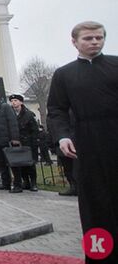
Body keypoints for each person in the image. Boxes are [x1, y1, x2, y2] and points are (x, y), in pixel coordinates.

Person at [47, 21, 117, 262]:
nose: (94, 42)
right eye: (88, 38)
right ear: (74, 42)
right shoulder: (64, 74)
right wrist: (63, 136)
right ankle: (99, 256)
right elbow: (56, 109)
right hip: (85, 144)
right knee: (94, 207)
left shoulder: (116, 65)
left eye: (99, 37)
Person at [9, 94, 39, 192]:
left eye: (16, 100)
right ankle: (26, 181)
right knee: (20, 163)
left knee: (30, 164)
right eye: (12, 101)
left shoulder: (28, 114)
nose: (14, 103)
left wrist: (34, 142)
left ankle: (33, 183)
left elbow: (34, 130)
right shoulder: (10, 113)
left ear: (21, 102)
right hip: (16, 142)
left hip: (28, 143)